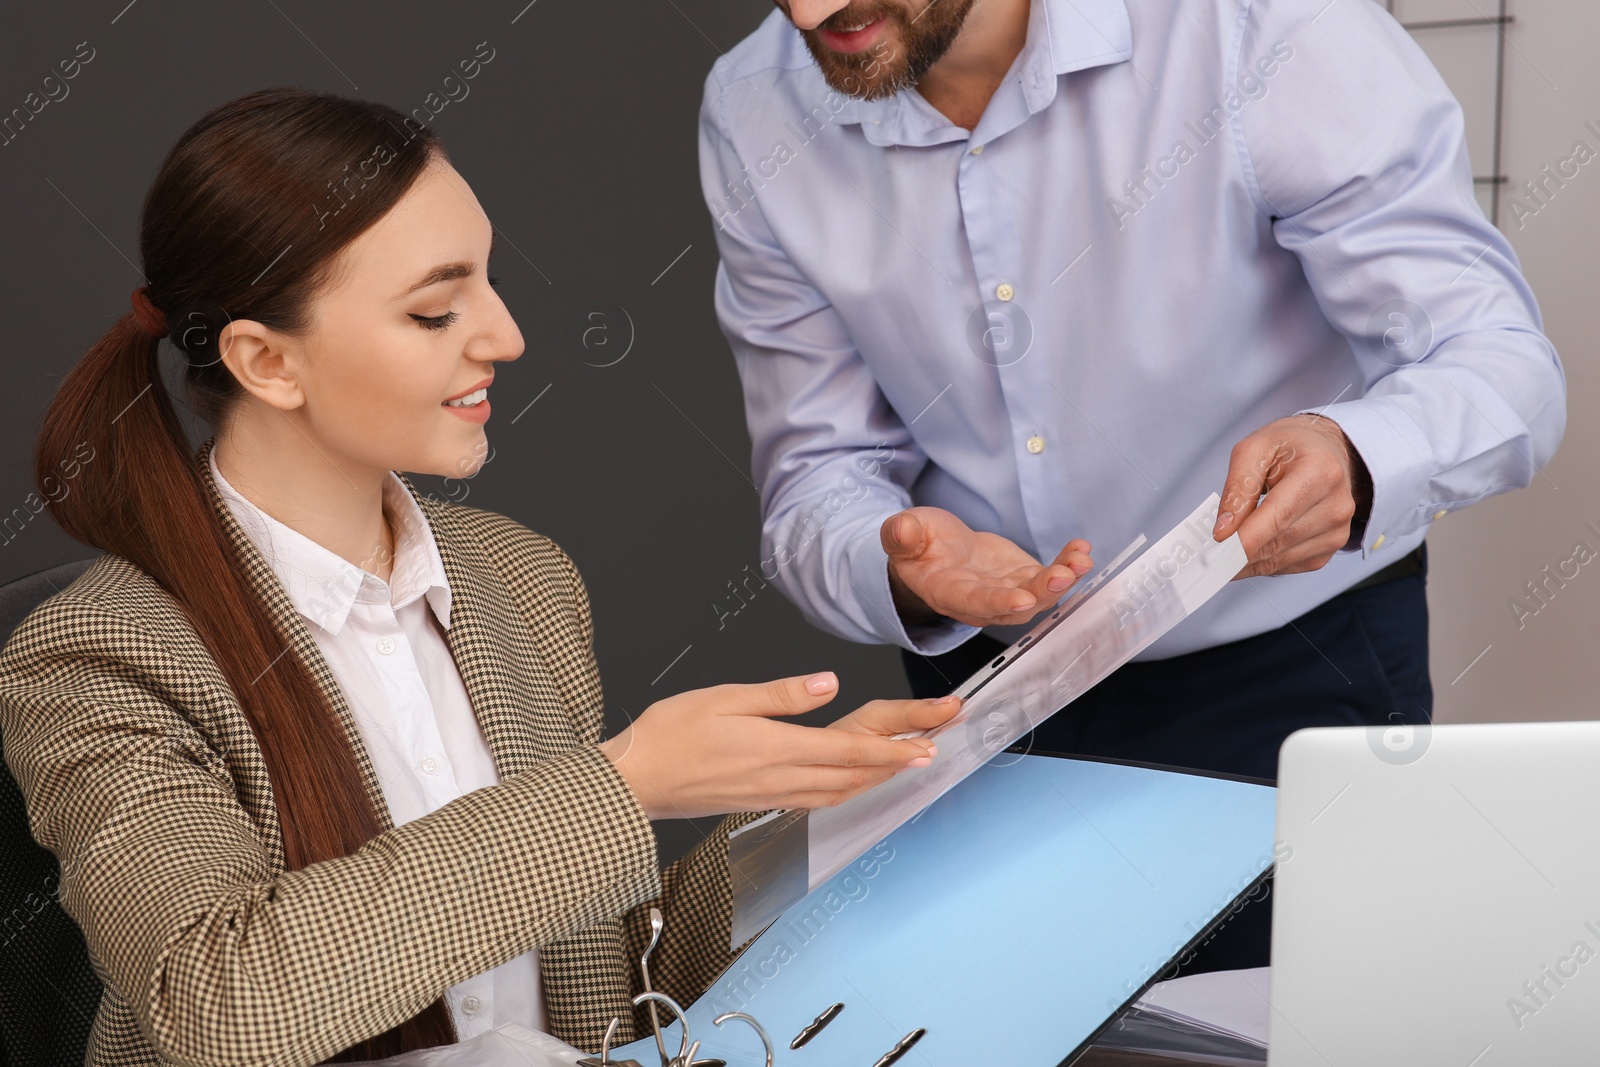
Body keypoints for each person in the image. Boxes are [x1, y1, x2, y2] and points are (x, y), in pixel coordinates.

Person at [0, 87, 959, 1066]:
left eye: (489, 284)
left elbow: (608, 976)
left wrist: (816, 814)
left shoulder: (520, 578)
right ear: (265, 361)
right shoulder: (94, 656)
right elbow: (221, 997)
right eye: (434, 309)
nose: (505, 336)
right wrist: (624, 787)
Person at [695, 0, 1566, 967]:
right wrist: (897, 566)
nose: (814, 10)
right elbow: (817, 472)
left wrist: (1355, 454)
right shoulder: (753, 104)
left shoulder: (1262, 26)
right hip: (984, 707)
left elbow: (1498, 364)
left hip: (1294, 671)